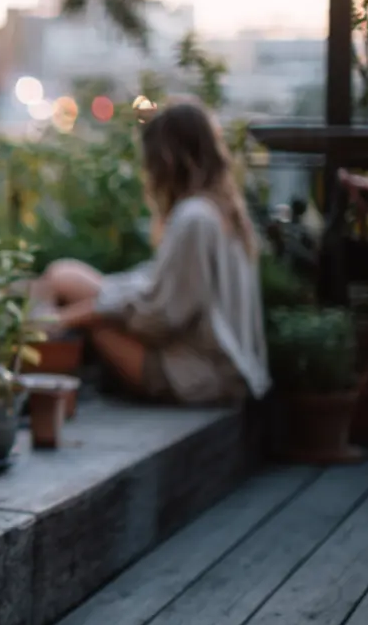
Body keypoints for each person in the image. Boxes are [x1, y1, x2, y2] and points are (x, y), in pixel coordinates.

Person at [29, 100, 270, 405]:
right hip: (212, 366)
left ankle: (41, 388)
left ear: (167, 158)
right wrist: (101, 300)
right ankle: (42, 355)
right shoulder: (219, 212)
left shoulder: (194, 218)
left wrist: (73, 317)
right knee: (64, 275)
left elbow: (160, 318)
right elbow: (166, 288)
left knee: (90, 319)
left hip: (200, 375)